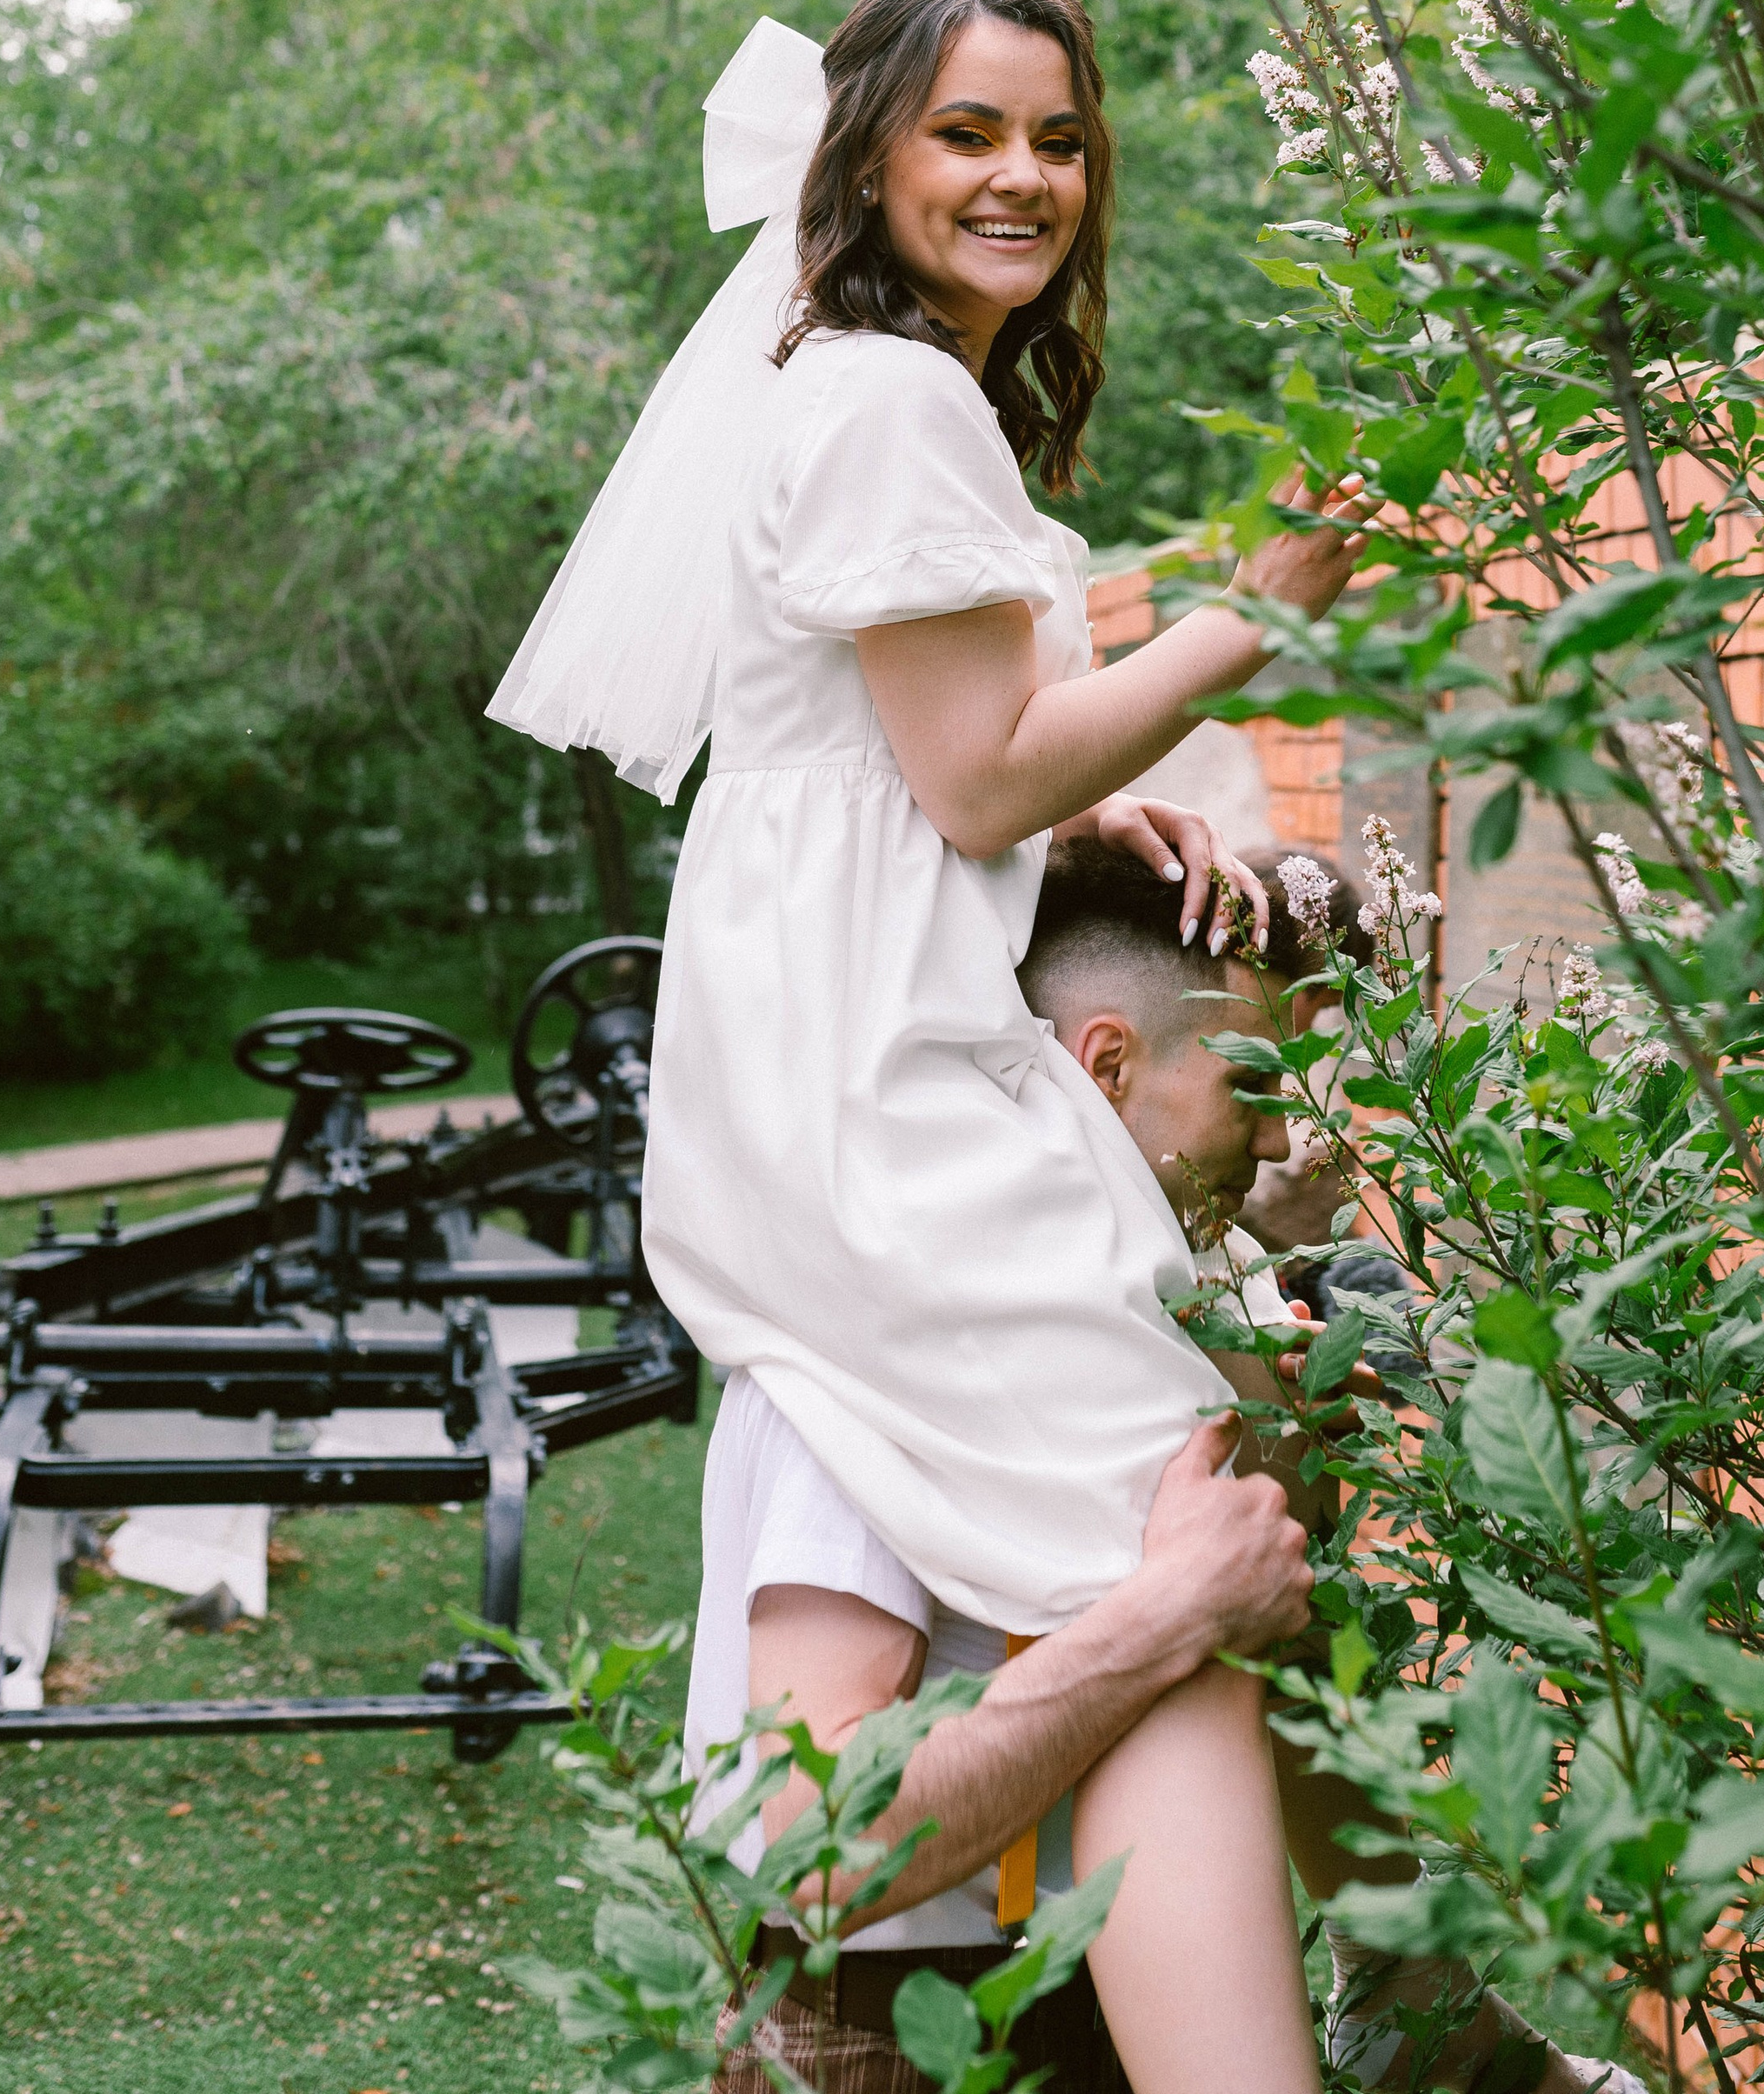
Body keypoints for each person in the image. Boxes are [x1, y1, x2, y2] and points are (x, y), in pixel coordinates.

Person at [489, 0, 1370, 2094]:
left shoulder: (871, 387)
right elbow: (977, 776)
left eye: (1058, 137)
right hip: (873, 1092)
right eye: (967, 130)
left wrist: (1105, 778)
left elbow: (929, 765)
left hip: (830, 1051)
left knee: (1146, 1534)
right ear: (867, 154)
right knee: (1162, 1535)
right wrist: (1266, 603)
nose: (1023, 175)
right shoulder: (890, 394)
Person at [693, 841, 1629, 2094]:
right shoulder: (879, 1350)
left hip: (1125, 2003)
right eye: (1252, 1085)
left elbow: (1267, 1661)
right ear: (1108, 1066)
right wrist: (1170, 1612)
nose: (1286, 1134)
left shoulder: (1161, 1319)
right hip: (892, 2039)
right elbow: (822, 1850)